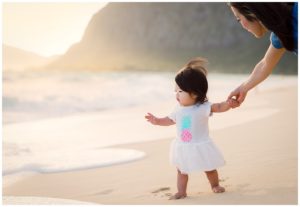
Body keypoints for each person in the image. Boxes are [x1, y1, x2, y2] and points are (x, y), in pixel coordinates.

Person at [145, 57, 237, 199]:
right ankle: (182, 191)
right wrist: (157, 121)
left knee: (210, 168)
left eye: (180, 91)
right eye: (175, 91)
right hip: (183, 146)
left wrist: (229, 104)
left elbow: (218, 107)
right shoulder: (178, 109)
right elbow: (169, 120)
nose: (176, 95)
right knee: (181, 171)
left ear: (194, 93)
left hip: (200, 144)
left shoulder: (202, 107)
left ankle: (215, 185)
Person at [227, 2, 298, 107]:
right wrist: (243, 88)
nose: (242, 25)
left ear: (251, 11)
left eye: (239, 19)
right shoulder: (281, 33)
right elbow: (265, 64)